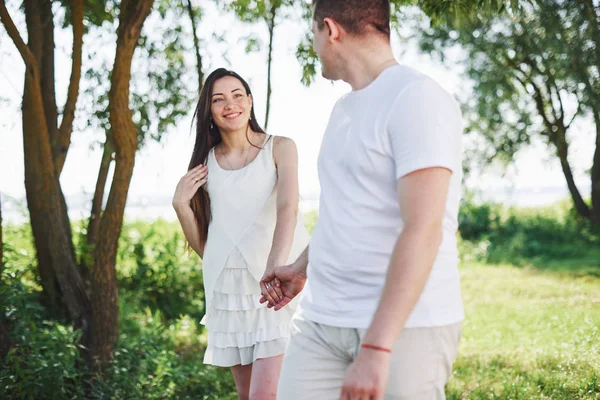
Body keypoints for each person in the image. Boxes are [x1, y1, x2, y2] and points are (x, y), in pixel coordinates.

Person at [260, 0, 464, 399]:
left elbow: (424, 228)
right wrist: (302, 268)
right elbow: (343, 213)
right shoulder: (343, 109)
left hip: (406, 327)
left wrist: (376, 346)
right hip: (322, 322)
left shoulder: (417, 98)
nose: (315, 47)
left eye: (314, 34)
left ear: (331, 30)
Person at [172, 68, 309, 400]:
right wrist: (180, 205)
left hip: (275, 290)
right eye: (218, 99)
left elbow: (287, 209)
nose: (229, 104)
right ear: (209, 111)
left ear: (249, 100)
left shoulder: (280, 147)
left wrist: (275, 269)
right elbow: (211, 247)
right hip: (230, 295)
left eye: (237, 95)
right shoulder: (205, 165)